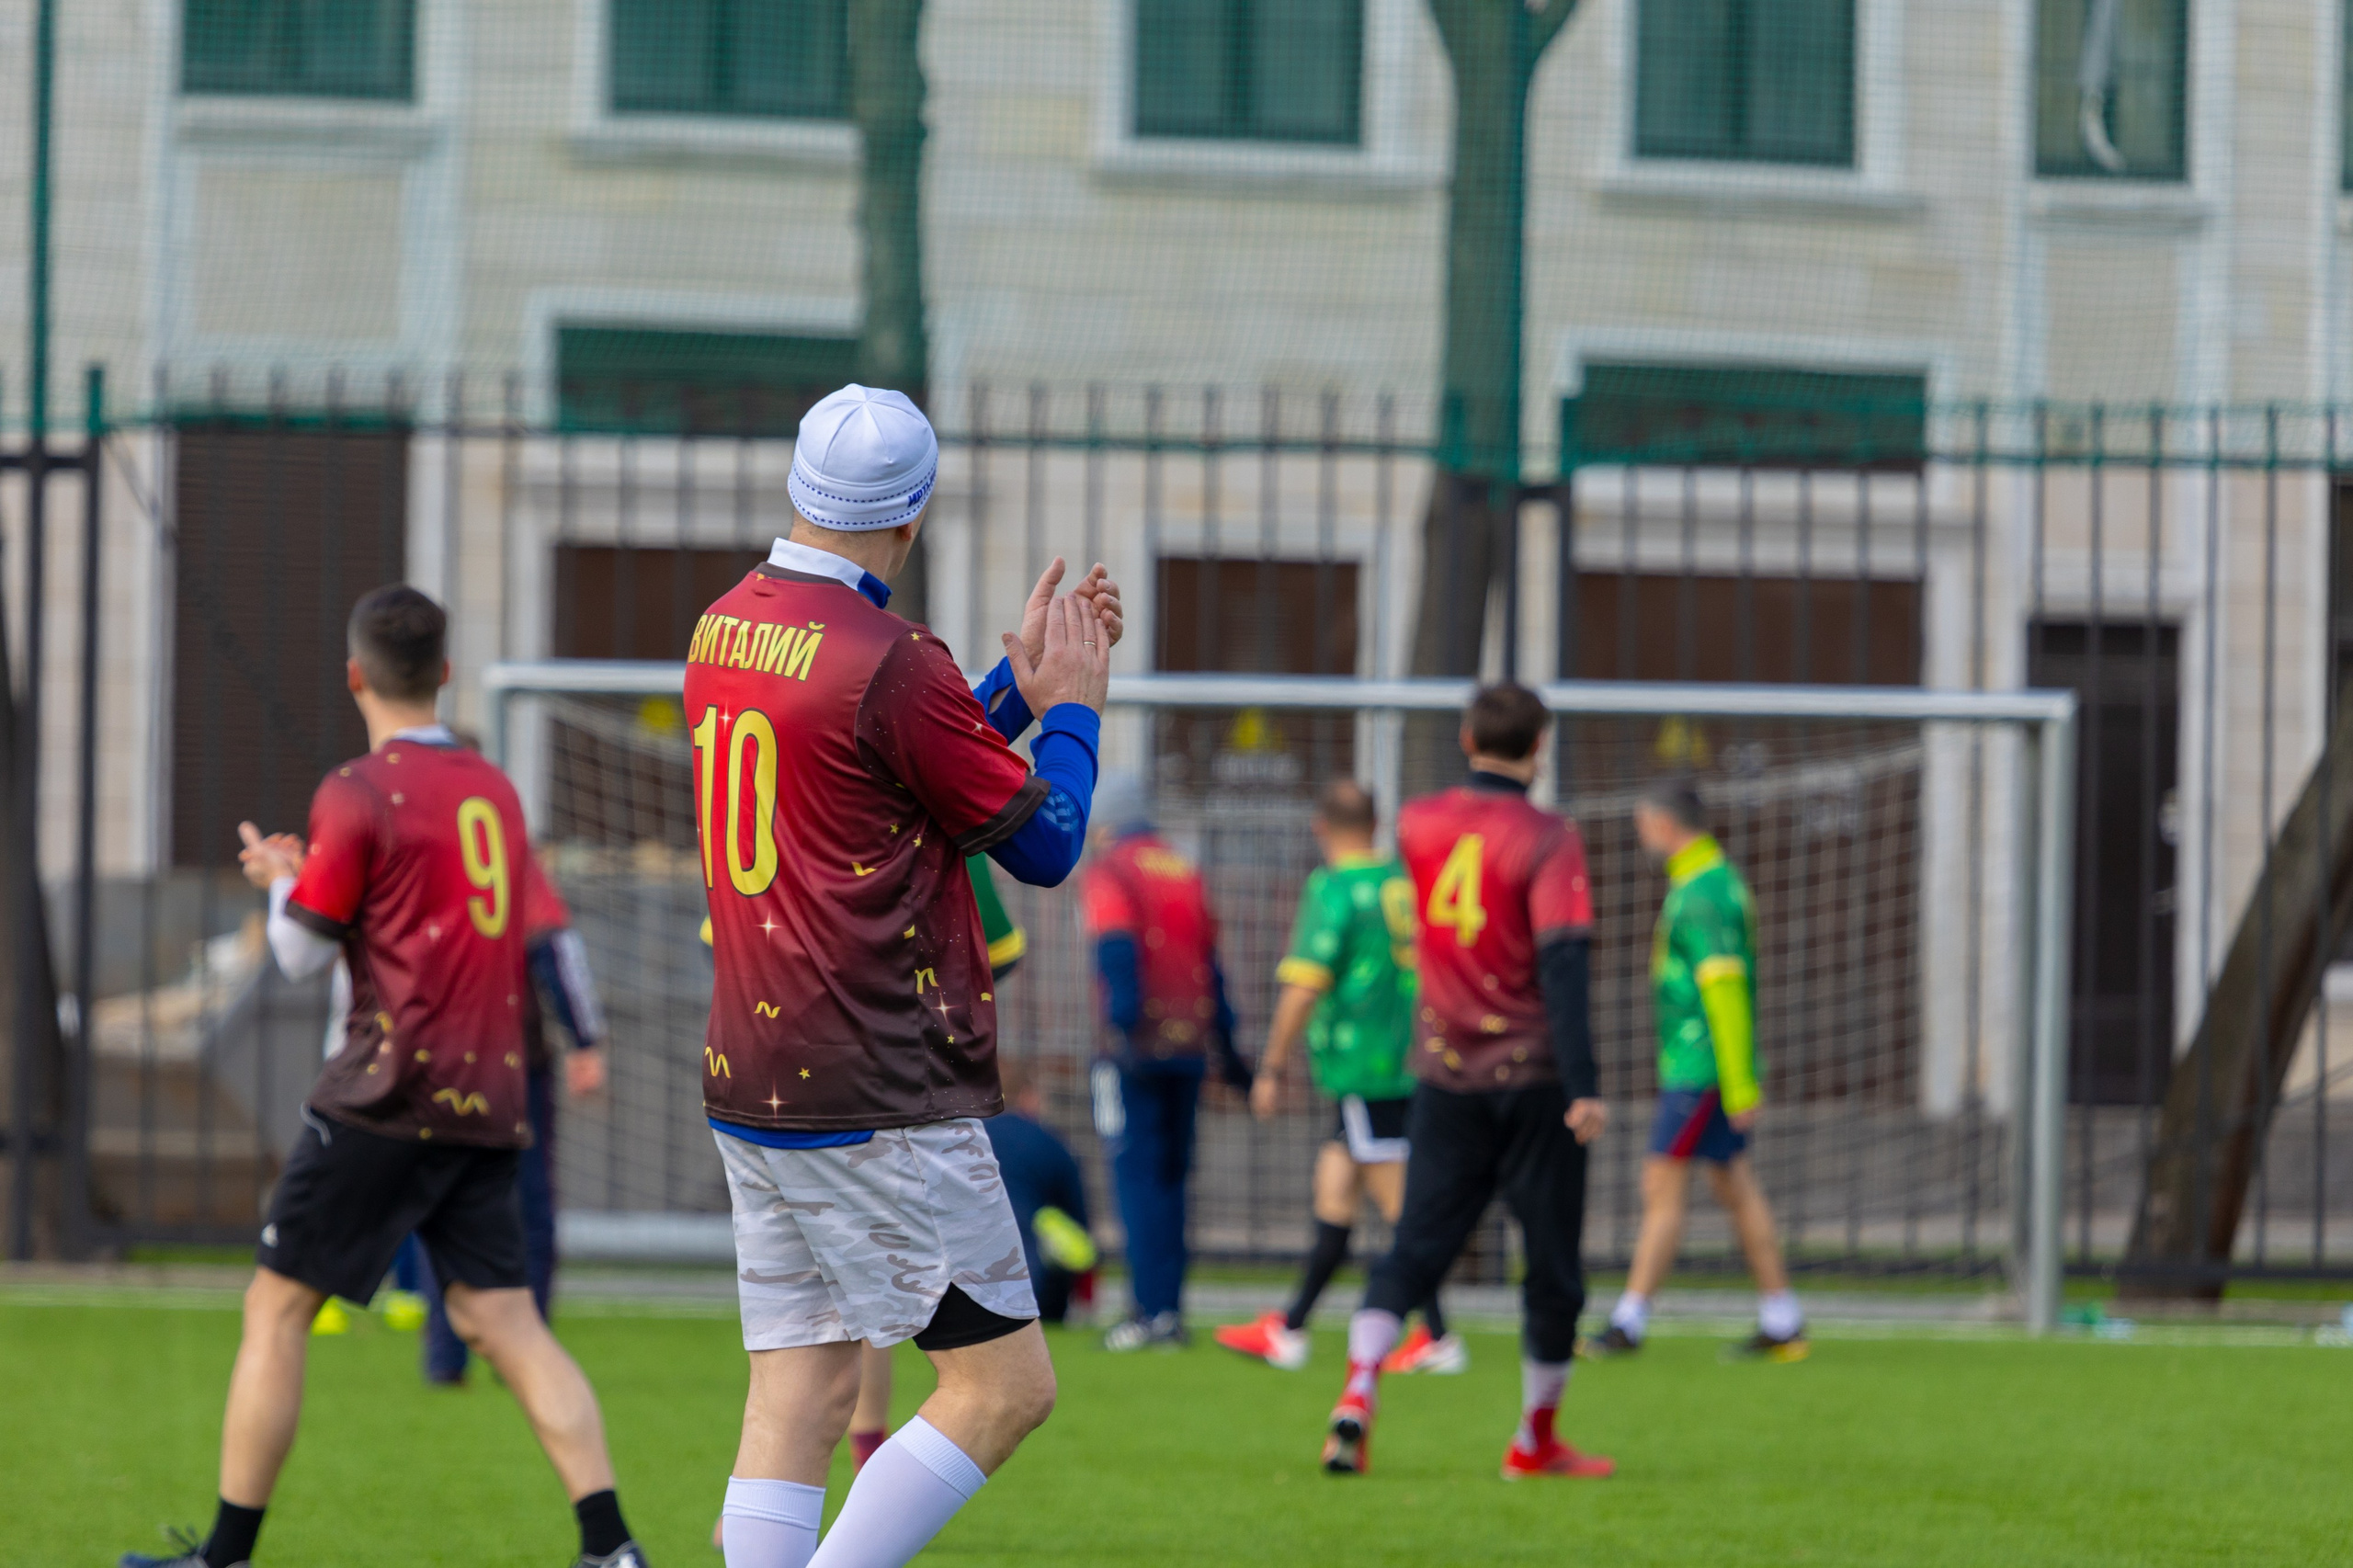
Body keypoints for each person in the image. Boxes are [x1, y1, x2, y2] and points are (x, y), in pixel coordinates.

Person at [123, 586, 648, 1568]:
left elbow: (299, 952)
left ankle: (224, 1553)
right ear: (446, 674)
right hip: (486, 1098)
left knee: (275, 1308)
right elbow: (461, 914)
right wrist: (311, 869)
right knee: (510, 1322)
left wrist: (281, 876)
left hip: (380, 1091)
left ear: (356, 675)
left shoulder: (356, 788)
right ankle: (610, 1543)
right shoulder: (493, 786)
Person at [694, 383, 1118, 1568]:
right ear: (915, 511)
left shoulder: (724, 621)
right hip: (872, 1078)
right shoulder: (891, 656)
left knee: (799, 1394)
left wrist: (1006, 700)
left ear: (796, 483)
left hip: (751, 1066)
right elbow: (1045, 844)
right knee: (1002, 1388)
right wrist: (1073, 711)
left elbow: (870, 763)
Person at [1320, 682, 1612, 1483]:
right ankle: (1533, 1441)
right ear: (1540, 746)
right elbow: (1562, 961)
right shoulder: (1550, 837)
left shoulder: (1416, 823)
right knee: (1551, 1266)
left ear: (1465, 736)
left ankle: (1358, 1389)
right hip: (1534, 1078)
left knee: (1415, 1249)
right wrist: (1586, 1085)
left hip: (1443, 1074)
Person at [1219, 778, 1461, 1375]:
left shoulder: (1334, 888)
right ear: (1376, 827)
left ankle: (1437, 1336)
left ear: (1319, 828)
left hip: (1364, 1066)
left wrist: (1272, 1067)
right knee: (1335, 1192)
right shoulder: (1400, 882)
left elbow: (1305, 984)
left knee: (1399, 1206)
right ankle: (1293, 1327)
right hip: (1403, 1056)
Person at [1591, 779, 1806, 1361]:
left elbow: (1726, 991)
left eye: (1642, 825)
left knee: (1661, 1184)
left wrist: (1739, 1084)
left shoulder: (1703, 893)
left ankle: (1628, 1323)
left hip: (1700, 1068)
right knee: (1732, 1185)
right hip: (1703, 1066)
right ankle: (1783, 1318)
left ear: (1664, 825)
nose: (1641, 837)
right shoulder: (1708, 882)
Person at [415, 852, 610, 1383]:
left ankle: (445, 1356)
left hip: (444, 1067)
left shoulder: (425, 856)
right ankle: (526, 1354)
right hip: (514, 1069)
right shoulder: (512, 856)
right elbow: (556, 950)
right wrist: (585, 1041)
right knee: (528, 1211)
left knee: (447, 1208)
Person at [1079, 775, 1250, 1352]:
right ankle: (1171, 1311)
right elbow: (1213, 965)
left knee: (1135, 1177)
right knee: (1175, 1180)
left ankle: (1146, 1312)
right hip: (1190, 1047)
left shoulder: (1112, 869)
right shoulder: (1184, 868)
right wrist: (1230, 1054)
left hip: (1137, 1048)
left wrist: (1123, 1029)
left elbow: (1116, 947)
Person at [986, 1055, 1098, 1325]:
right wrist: (1087, 1294)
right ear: (1028, 1096)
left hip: (956, 1287)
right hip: (1031, 1288)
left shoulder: (960, 1142)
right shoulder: (1049, 1143)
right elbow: (1079, 1227)